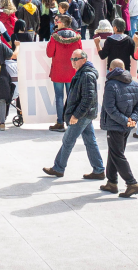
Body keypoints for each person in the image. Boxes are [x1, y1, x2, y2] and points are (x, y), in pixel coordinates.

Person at [43, 47, 105, 180]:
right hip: (85, 114)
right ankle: (99, 169)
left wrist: (76, 115)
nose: (72, 61)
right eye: (72, 59)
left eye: (75, 59)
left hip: (82, 115)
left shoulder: (86, 75)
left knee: (68, 140)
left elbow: (88, 98)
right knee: (90, 141)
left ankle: (58, 168)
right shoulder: (82, 72)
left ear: (84, 60)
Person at [98, 58, 138, 198]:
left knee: (117, 154)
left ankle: (132, 183)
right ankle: (112, 182)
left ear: (110, 69)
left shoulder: (111, 84)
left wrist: (125, 121)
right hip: (126, 125)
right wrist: (132, 120)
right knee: (115, 152)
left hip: (116, 125)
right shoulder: (134, 83)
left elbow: (109, 108)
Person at [46, 13, 82, 131]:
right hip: (72, 71)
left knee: (59, 97)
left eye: (58, 21)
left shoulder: (55, 36)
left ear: (62, 23)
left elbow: (49, 53)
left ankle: (60, 122)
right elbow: (80, 53)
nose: (56, 23)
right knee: (72, 97)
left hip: (58, 71)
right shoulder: (76, 36)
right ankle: (72, 122)